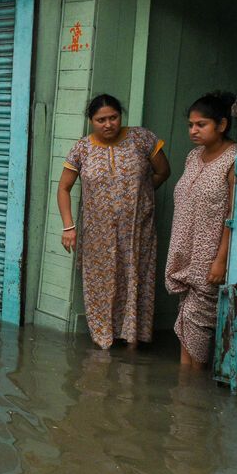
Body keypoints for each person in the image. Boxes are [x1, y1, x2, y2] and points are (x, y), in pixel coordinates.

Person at [57, 94, 170, 349]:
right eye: (101, 120)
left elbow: (163, 172)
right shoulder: (82, 149)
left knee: (135, 279)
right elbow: (63, 188)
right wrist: (69, 227)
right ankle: (104, 343)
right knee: (102, 283)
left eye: (113, 118)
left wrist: (141, 195)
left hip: (136, 230)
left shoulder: (142, 139)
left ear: (121, 116)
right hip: (98, 233)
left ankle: (133, 342)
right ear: (91, 121)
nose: (108, 124)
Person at [164, 92, 237, 368]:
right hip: (185, 255)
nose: (193, 130)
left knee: (197, 323)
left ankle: (188, 394)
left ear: (221, 125)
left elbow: (234, 214)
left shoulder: (233, 159)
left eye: (201, 124)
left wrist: (220, 260)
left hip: (209, 259)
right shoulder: (193, 157)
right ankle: (186, 393)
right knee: (186, 322)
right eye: (190, 125)